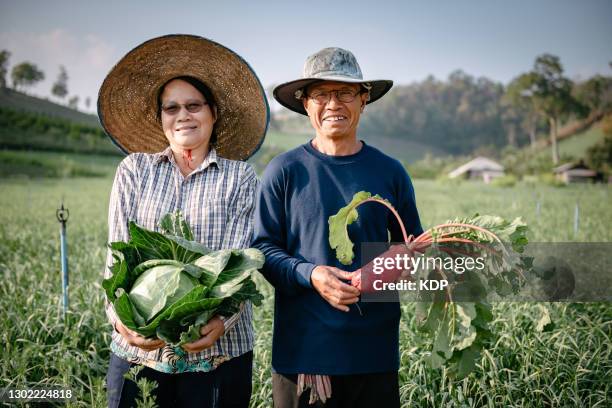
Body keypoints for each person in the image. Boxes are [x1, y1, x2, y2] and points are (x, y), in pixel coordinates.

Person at [98, 34, 269, 408]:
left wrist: (221, 322)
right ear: (160, 117)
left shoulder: (238, 177)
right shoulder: (134, 170)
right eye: (171, 108)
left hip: (218, 354)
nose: (182, 116)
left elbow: (240, 264)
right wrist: (121, 322)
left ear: (213, 113)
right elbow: (116, 258)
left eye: (193, 105)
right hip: (137, 352)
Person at [252, 47, 423, 407]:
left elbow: (411, 249)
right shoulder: (284, 171)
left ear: (364, 100)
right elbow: (263, 251)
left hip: (372, 356)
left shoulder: (390, 172)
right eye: (321, 94)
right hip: (303, 357)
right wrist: (311, 274)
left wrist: (390, 265)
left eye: (345, 93)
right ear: (305, 103)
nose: (333, 103)